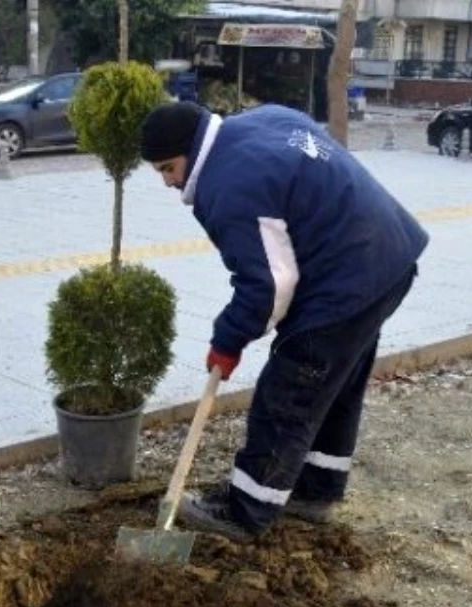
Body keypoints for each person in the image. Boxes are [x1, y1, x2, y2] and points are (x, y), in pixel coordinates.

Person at [139, 101, 429, 543]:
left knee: (288, 394)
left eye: (168, 167)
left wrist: (227, 340)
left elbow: (270, 285)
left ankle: (245, 510)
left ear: (191, 148)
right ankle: (317, 490)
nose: (168, 182)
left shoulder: (227, 185)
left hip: (345, 281)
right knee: (335, 386)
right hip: (389, 258)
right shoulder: (259, 120)